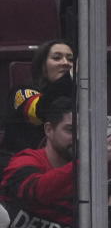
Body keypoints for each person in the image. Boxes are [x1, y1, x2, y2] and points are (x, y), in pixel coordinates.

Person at [0, 96, 75, 228]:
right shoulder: (24, 161)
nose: (78, 138)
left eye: (84, 131)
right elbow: (37, 190)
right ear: (49, 130)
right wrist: (84, 165)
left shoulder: (89, 179)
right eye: (70, 130)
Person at [1, 40, 75, 173]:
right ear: (42, 66)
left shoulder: (79, 97)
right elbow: (39, 111)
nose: (66, 63)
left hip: (65, 169)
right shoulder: (23, 91)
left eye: (70, 59)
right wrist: (71, 75)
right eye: (57, 58)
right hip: (21, 171)